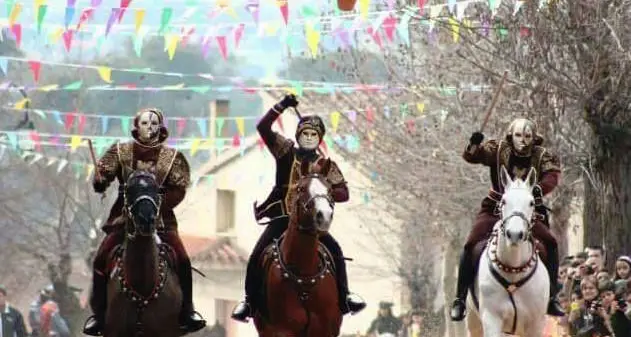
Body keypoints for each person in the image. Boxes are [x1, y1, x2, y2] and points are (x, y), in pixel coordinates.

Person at [230, 94, 366, 322]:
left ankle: (345, 297)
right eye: (306, 133)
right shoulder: (285, 150)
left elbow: (344, 193)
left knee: (336, 251)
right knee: (256, 255)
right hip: (282, 218)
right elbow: (263, 127)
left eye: (314, 134)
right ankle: (249, 302)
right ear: (298, 135)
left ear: (320, 138)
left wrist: (324, 191)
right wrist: (281, 105)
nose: (310, 138)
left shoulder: (325, 165)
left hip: (312, 225)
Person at [82, 108, 206, 335]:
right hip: (124, 217)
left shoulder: (173, 157)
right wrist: (99, 181)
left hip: (161, 219)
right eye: (145, 123)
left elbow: (179, 189)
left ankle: (187, 311)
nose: (149, 127)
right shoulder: (121, 151)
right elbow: (103, 177)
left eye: (154, 123)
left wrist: (155, 207)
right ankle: (99, 315)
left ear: (161, 127)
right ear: (136, 126)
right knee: (100, 258)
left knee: (183, 259)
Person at [450, 118, 565, 321]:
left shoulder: (542, 155)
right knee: (470, 244)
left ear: (534, 138)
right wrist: (474, 145)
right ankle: (460, 299)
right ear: (511, 136)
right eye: (519, 135)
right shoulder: (498, 149)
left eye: (528, 136)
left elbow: (552, 176)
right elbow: (472, 157)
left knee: (551, 243)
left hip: (527, 210)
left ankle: (552, 296)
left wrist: (539, 189)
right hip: (497, 207)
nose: (523, 140)